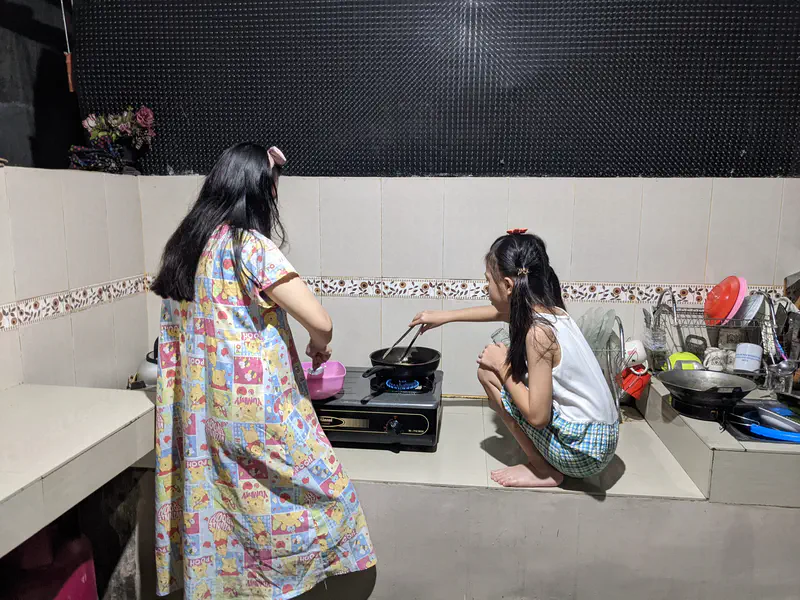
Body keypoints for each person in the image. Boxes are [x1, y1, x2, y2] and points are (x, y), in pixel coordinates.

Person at [150, 143, 376, 599]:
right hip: (256, 414)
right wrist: (320, 343)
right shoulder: (248, 245)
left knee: (230, 516)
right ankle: (293, 581)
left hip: (202, 421)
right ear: (260, 189)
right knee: (331, 495)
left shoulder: (186, 247)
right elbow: (321, 320)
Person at [410, 229, 619, 488]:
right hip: (602, 440)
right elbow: (498, 313)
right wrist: (445, 316)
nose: (486, 287)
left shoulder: (537, 334)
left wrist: (501, 365)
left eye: (488, 280)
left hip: (582, 455)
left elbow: (538, 417)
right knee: (501, 371)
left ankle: (543, 470)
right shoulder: (552, 311)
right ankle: (545, 464)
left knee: (488, 372)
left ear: (508, 285)